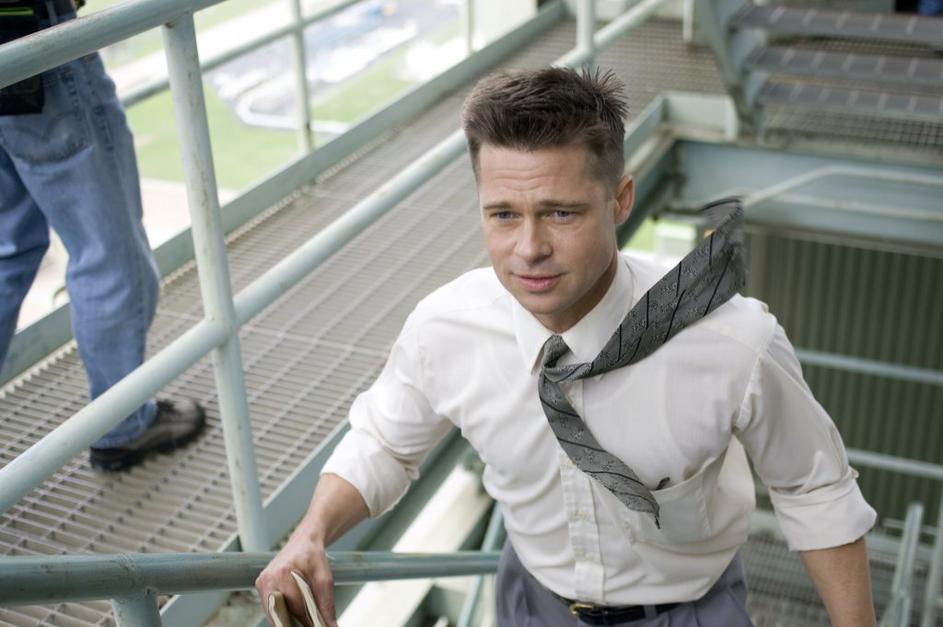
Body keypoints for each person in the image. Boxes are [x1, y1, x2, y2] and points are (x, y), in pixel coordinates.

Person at [255, 67, 878, 627]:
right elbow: (385, 443)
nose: (529, 250)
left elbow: (813, 488)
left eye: (560, 214)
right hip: (529, 604)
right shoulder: (443, 329)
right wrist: (312, 532)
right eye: (503, 215)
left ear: (620, 200)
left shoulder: (734, 341)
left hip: (689, 610)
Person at [0, 0, 205, 472]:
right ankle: (123, 427)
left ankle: (121, 421)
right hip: (34, 39)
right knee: (110, 258)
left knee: (9, 253)